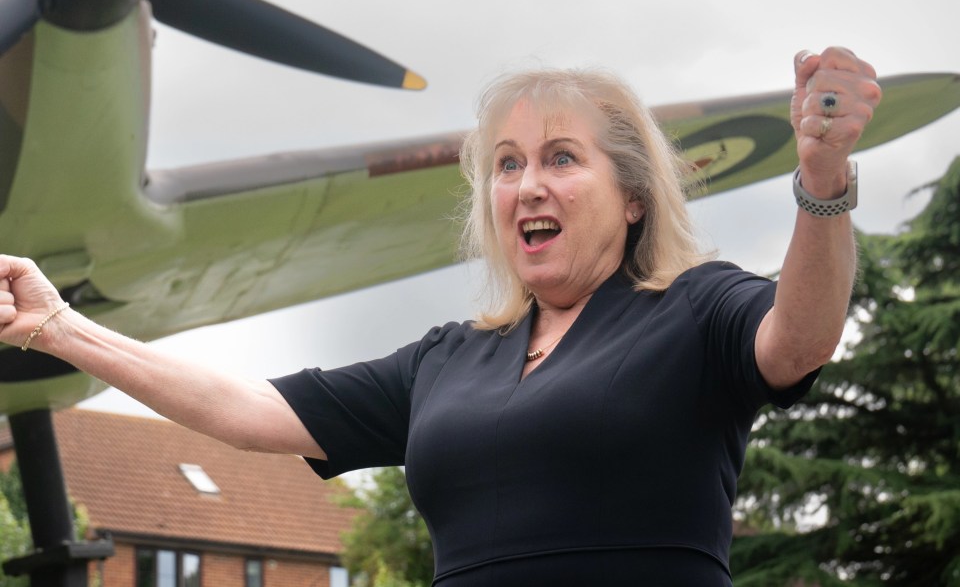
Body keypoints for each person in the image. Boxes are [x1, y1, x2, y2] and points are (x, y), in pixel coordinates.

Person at [0, 47, 881, 585]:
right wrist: (59, 325)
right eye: (506, 164)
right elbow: (251, 410)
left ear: (636, 200)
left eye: (561, 158)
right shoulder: (449, 360)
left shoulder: (693, 311)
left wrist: (823, 181)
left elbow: (798, 336)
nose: (528, 183)